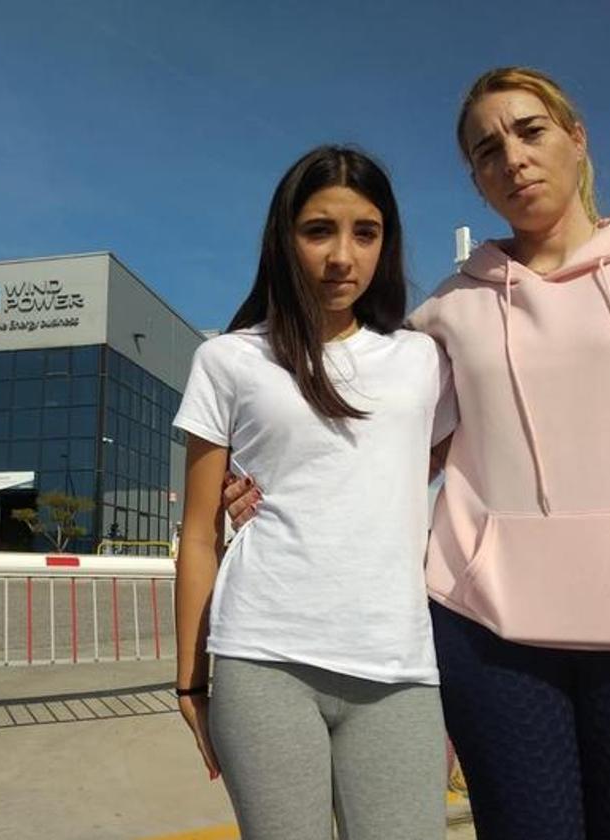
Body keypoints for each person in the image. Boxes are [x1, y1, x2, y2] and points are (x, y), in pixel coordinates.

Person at [223, 67, 610, 840]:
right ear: (478, 179)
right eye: (487, 151)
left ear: (577, 138)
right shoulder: (447, 313)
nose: (512, 158)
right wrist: (260, 481)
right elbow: (376, 447)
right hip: (492, 641)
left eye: (530, 131)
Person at [173, 145, 452, 840]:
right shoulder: (229, 359)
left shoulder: (422, 359)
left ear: (386, 243)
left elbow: (418, 465)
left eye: (366, 232)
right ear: (284, 238)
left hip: (398, 664)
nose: (342, 256)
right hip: (263, 656)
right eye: (318, 230)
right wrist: (190, 680)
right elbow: (200, 532)